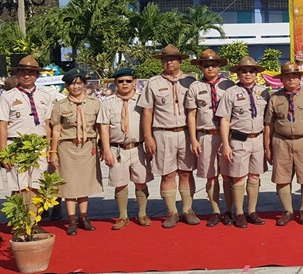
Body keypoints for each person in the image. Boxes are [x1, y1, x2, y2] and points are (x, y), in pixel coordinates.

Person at [137, 44, 198, 228]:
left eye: (172, 59)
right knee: (168, 174)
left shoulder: (190, 82)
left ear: (180, 61)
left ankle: (187, 209)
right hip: (163, 133)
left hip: (186, 133)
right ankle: (172, 212)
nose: (169, 62)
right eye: (165, 59)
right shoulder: (153, 83)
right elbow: (147, 111)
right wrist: (148, 137)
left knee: (186, 173)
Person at [217, 56, 269, 228]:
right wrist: (226, 145)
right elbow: (224, 120)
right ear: (238, 73)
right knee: (238, 177)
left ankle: (252, 211)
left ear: (256, 74)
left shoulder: (264, 92)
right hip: (239, 140)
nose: (248, 74)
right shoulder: (230, 93)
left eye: (251, 71)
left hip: (258, 140)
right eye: (244, 71)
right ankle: (238, 212)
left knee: (254, 177)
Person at [98, 68, 154, 230]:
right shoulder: (108, 103)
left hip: (138, 147)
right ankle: (123, 216)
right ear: (115, 83)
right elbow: (104, 128)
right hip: (117, 149)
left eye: (128, 81)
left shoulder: (142, 101)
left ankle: (142, 214)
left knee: (141, 181)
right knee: (120, 184)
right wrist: (106, 150)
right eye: (121, 81)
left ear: (134, 82)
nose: (124, 84)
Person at [185, 49, 235, 227]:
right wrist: (193, 139)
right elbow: (191, 115)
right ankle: (215, 211)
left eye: (214, 65)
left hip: (226, 137)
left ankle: (229, 211)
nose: (210, 68)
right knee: (211, 176)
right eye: (206, 65)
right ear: (201, 67)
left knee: (228, 175)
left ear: (219, 66)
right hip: (205, 136)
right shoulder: (195, 87)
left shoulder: (229, 86)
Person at [50, 68, 103, 235]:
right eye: (72, 84)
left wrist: (101, 146)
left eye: (79, 83)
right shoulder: (60, 105)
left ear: (84, 85)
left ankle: (84, 218)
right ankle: (72, 220)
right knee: (70, 185)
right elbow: (56, 129)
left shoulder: (95, 103)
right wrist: (53, 151)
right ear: (66, 86)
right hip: (67, 148)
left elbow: (100, 127)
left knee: (84, 184)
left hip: (87, 147)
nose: (75, 87)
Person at [0, 57, 53, 221]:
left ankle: (32, 222)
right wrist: (4, 152)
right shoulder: (7, 97)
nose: (27, 76)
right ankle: (19, 223)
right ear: (17, 74)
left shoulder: (45, 96)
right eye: (23, 72)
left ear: (37, 75)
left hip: (39, 145)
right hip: (16, 146)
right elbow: (2, 125)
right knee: (19, 185)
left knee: (37, 185)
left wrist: (50, 149)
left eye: (31, 73)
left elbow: (48, 124)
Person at [264, 62, 303, 226]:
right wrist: (267, 147)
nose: (291, 79)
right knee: (282, 178)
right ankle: (287, 210)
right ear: (282, 79)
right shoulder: (275, 98)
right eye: (287, 76)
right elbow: (269, 125)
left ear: (300, 78)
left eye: (294, 76)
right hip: (281, 141)